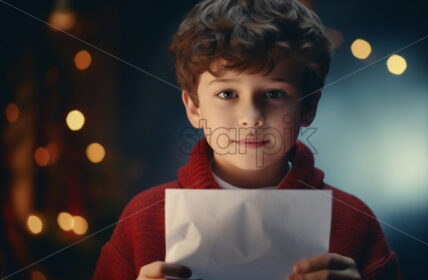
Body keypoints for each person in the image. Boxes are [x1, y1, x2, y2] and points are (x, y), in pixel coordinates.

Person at [93, 0, 404, 279]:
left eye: (274, 93)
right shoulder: (144, 219)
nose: (251, 117)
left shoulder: (355, 223)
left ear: (307, 107)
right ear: (194, 107)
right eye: (227, 93)